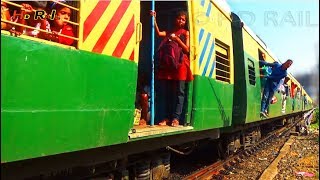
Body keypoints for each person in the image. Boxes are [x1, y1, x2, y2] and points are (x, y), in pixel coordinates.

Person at [150, 10, 193, 127]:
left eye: (183, 19)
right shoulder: (170, 32)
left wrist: (177, 39)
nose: (181, 21)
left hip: (181, 65)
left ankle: (176, 118)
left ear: (185, 21)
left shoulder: (186, 33)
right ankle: (166, 118)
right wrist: (154, 18)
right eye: (179, 18)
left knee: (179, 92)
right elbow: (159, 33)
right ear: (176, 19)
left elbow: (187, 49)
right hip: (169, 65)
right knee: (167, 92)